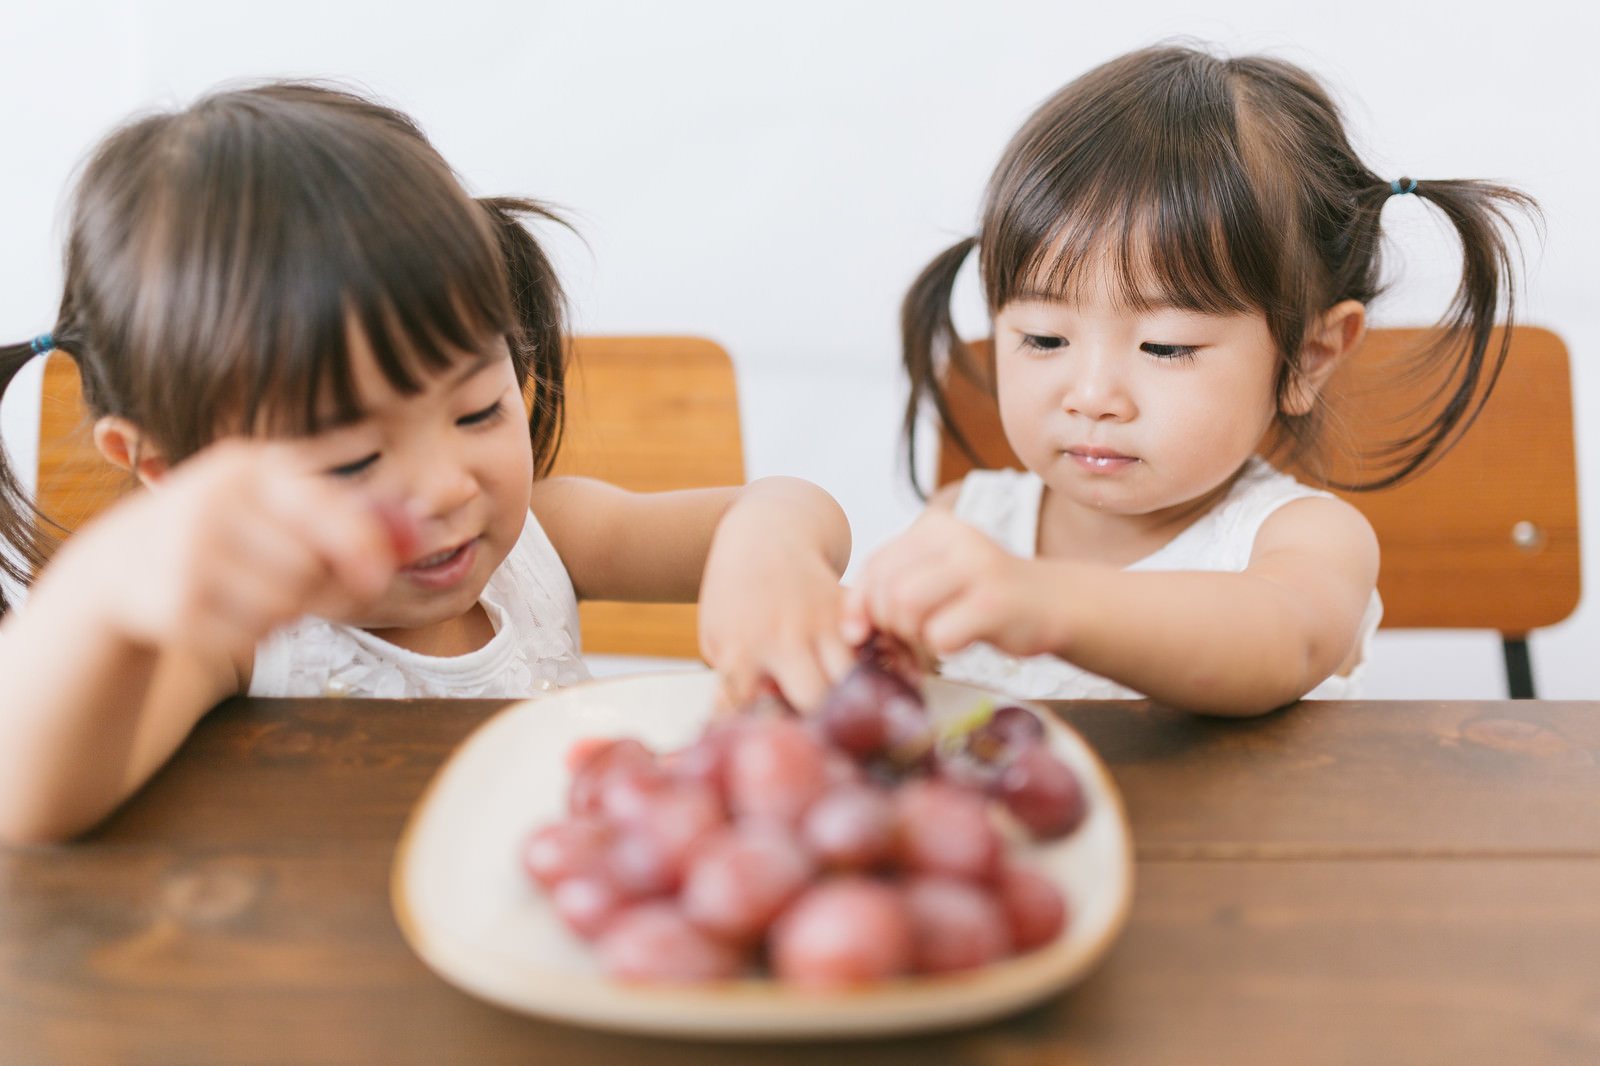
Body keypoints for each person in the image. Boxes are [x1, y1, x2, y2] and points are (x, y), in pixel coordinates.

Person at [0, 82, 853, 844]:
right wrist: (105, 592)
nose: (448, 486)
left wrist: (769, 548)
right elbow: (28, 798)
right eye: (354, 460)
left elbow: (793, 508)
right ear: (167, 471)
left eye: (479, 409)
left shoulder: (548, 538)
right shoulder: (240, 640)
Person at [841, 44, 1535, 715]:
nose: (1092, 398)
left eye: (1165, 347)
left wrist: (1044, 601)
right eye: (1044, 338)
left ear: (1311, 356)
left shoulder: (1304, 540)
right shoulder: (968, 523)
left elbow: (1280, 639)